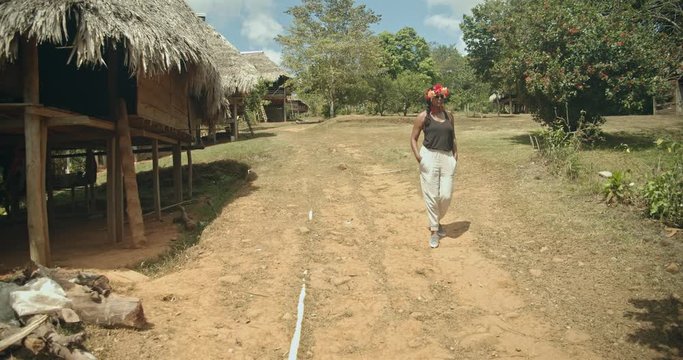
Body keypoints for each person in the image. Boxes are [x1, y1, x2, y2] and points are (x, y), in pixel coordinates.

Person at [410, 83, 458, 248]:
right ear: (430, 98)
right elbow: (413, 138)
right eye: (436, 97)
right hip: (429, 156)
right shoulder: (424, 116)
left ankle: (436, 221)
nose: (440, 99)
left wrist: (455, 157)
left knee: (445, 195)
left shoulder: (449, 116)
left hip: (447, 157)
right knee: (431, 195)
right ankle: (434, 231)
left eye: (442, 96)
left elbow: (453, 138)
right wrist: (419, 157)